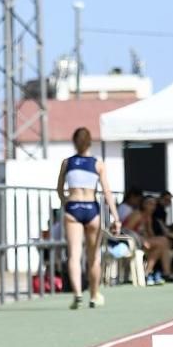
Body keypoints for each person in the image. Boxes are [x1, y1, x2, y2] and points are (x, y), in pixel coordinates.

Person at [56, 127, 120, 310]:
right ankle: (93, 295)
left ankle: (77, 294)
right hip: (91, 209)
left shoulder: (67, 163)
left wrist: (65, 202)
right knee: (93, 257)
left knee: (74, 255)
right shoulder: (98, 164)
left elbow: (59, 189)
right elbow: (107, 192)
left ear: (74, 143)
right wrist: (116, 217)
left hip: (73, 208)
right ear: (90, 142)